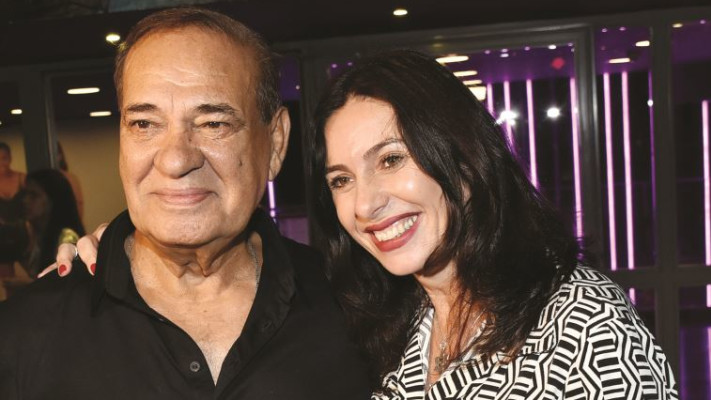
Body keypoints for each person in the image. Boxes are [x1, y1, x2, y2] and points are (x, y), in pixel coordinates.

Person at [52, 49, 679, 398]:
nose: (366, 205)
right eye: (342, 179)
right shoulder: (398, 317)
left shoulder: (581, 324)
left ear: (463, 158)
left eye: (391, 159)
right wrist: (129, 243)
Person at [0, 7, 370, 399]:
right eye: (144, 124)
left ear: (275, 143)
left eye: (214, 124)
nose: (176, 160)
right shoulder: (25, 333)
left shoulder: (360, 307)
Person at [20, 169, 85, 277]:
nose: (25, 200)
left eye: (33, 195)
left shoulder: (67, 237)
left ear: (52, 199)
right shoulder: (34, 233)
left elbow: (69, 281)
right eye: (25, 194)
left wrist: (26, 283)